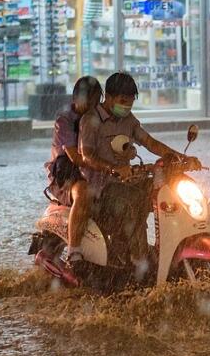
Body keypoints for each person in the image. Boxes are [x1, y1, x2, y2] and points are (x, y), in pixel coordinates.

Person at [79, 72, 199, 271]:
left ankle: (166, 250)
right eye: (122, 101)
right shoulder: (91, 120)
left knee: (165, 192)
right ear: (108, 97)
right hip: (100, 191)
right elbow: (87, 156)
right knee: (135, 199)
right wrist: (114, 169)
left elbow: (150, 142)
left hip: (125, 185)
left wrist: (181, 158)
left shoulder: (128, 120)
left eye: (130, 103)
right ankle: (139, 260)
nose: (126, 107)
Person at [42, 76, 102, 287]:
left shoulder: (100, 118)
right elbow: (76, 158)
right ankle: (74, 252)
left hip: (95, 174)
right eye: (89, 101)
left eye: (96, 101)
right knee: (83, 193)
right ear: (76, 97)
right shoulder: (65, 120)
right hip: (67, 176)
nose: (92, 106)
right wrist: (108, 165)